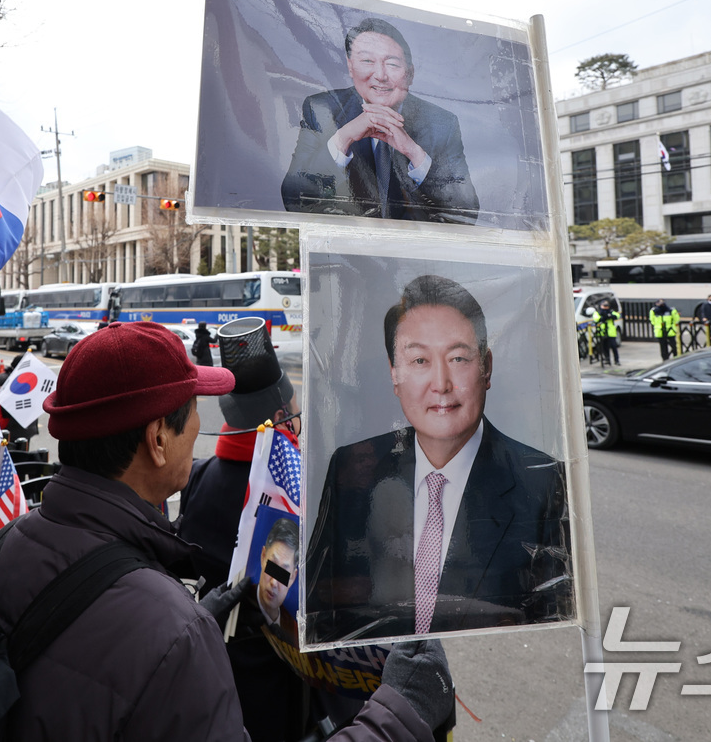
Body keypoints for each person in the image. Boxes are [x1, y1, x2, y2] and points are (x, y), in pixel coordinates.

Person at [0, 320, 453, 741]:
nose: (203, 429)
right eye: (192, 412)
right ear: (158, 440)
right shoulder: (172, 631)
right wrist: (398, 717)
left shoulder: (2, 547)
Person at [306, 275, 571, 644]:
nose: (441, 383)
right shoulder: (352, 468)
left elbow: (552, 631)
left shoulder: (543, 482)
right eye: (419, 360)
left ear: (486, 367)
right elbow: (324, 612)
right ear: (394, 373)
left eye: (458, 358)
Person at [177, 316, 309, 742]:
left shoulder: (198, 478)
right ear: (278, 416)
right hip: (280, 686)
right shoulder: (297, 493)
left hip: (213, 674)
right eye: (294, 411)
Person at [280, 18, 478, 224]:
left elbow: (465, 212)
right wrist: (342, 138)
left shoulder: (442, 123)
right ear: (350, 67)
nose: (381, 75)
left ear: (410, 74)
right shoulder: (321, 109)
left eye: (392, 64)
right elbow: (295, 199)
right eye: (367, 61)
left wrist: (414, 152)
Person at [256, 517, 299, 629]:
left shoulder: (295, 634)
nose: (274, 582)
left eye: (283, 573)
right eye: (272, 566)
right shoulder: (236, 603)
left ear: (293, 578)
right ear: (263, 556)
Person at [593, 300, 621, 366]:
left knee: (614, 346)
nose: (606, 307)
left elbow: (617, 315)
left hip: (611, 332)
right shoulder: (598, 312)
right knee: (605, 347)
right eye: (604, 306)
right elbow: (596, 319)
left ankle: (616, 360)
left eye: (607, 306)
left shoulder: (611, 311)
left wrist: (609, 316)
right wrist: (605, 317)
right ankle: (607, 359)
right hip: (602, 332)